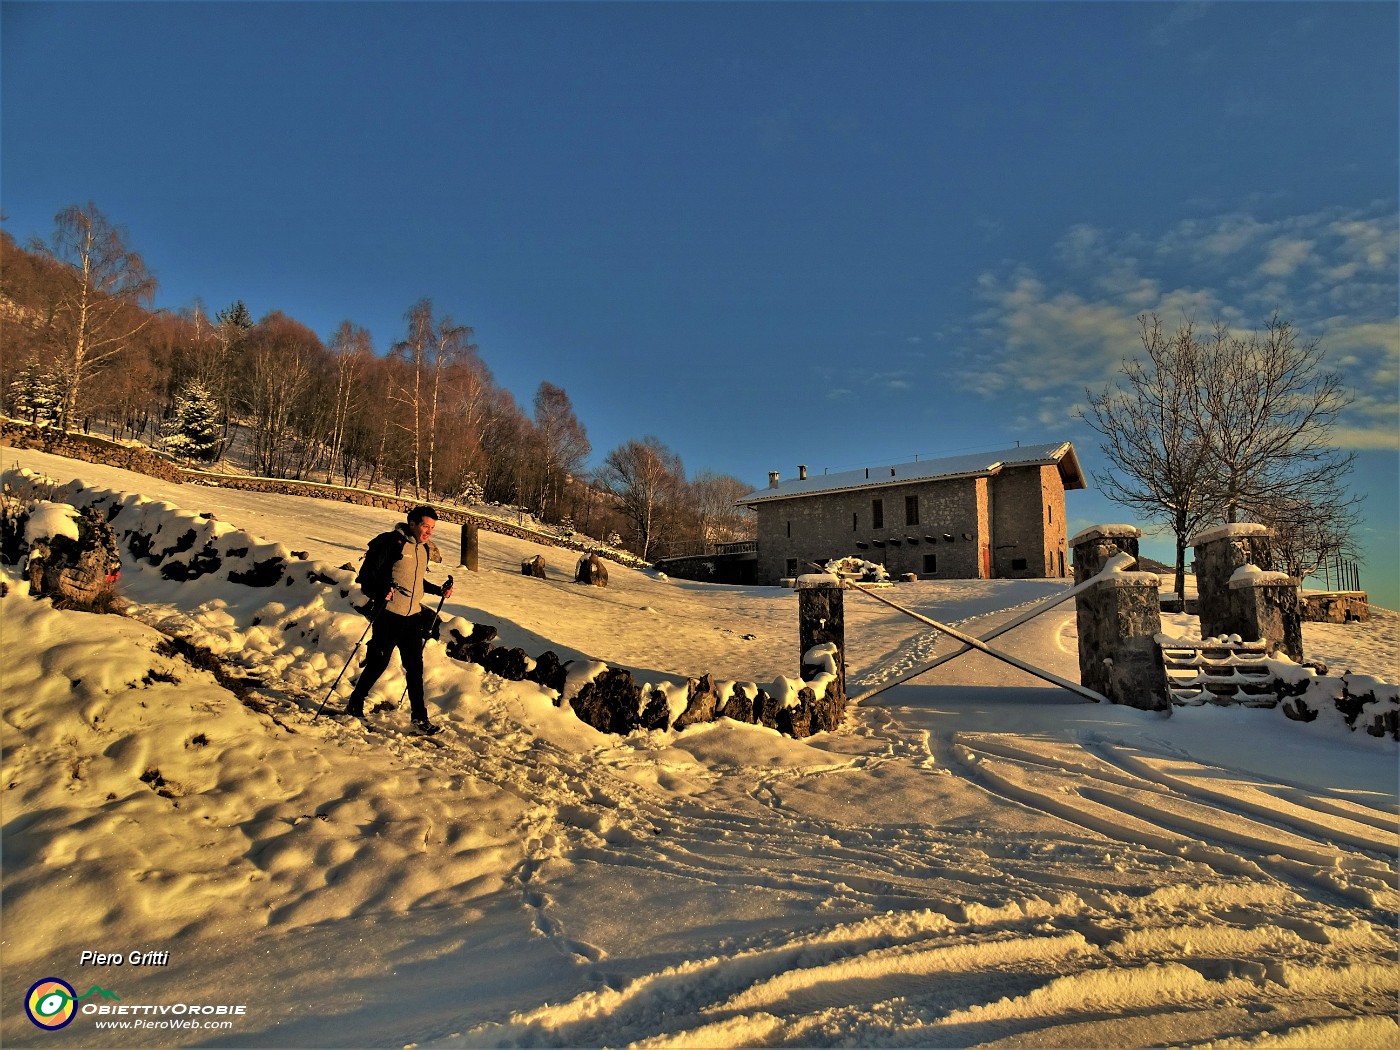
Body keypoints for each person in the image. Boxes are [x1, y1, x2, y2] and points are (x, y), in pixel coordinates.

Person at [340, 505, 454, 734]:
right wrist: (380, 590)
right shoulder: (390, 543)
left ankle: (419, 719)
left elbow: (416, 580)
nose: (429, 532)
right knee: (378, 663)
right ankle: (355, 703)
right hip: (388, 616)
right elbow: (366, 578)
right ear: (411, 523)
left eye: (432, 528)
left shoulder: (423, 549)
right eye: (425, 526)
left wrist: (438, 590)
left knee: (415, 668)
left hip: (413, 618)